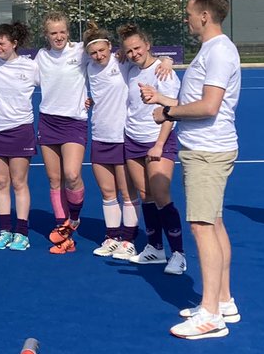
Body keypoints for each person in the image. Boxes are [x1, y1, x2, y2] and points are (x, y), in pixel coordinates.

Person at [143, 0, 242, 340]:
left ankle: (211, 314)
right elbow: (195, 100)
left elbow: (209, 106)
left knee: (201, 226)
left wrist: (167, 112)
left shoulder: (218, 51)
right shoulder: (214, 50)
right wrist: (163, 99)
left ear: (204, 15)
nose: (186, 18)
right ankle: (223, 300)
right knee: (213, 223)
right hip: (207, 148)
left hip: (207, 152)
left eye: (189, 12)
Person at [120, 24, 186, 273]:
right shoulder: (129, 70)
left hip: (158, 140)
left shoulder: (163, 72)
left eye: (137, 48)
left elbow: (172, 109)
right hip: (132, 139)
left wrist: (159, 144)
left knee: (161, 194)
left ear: (148, 45)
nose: (134, 53)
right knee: (145, 195)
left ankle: (178, 253)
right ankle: (155, 248)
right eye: (129, 50)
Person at [0, 22, 40, 251]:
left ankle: (22, 233)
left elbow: (54, 85)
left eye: (1, 43)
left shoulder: (30, 67)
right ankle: (5, 231)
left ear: (14, 43)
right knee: (1, 182)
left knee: (19, 182)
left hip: (21, 130)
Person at [82, 27, 140, 260]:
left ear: (109, 47)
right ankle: (113, 238)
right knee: (107, 192)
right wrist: (89, 100)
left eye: (102, 50)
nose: (99, 56)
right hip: (99, 135)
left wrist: (166, 60)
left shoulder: (122, 62)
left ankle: (129, 240)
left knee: (127, 193)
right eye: (94, 52)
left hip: (122, 136)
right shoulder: (88, 68)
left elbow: (147, 59)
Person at [34, 14, 90, 247]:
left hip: (74, 122)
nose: (58, 36)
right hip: (48, 122)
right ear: (46, 35)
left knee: (72, 175)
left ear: (68, 32)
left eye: (62, 32)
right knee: (54, 179)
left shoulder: (81, 52)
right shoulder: (41, 57)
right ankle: (62, 226)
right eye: (53, 33)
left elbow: (112, 58)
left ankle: (74, 219)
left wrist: (164, 60)